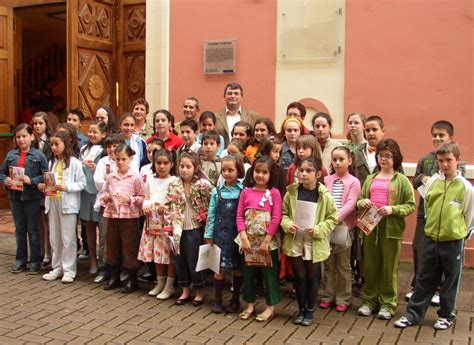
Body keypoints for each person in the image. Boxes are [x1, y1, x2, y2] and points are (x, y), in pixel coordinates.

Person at [394, 142, 473, 331]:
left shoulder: (466, 187)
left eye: (449, 160)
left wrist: (461, 235)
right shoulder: (432, 183)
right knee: (424, 277)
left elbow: (469, 214)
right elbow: (427, 209)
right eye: (441, 161)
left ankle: (446, 315)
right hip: (431, 239)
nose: (445, 165)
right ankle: (413, 314)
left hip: (453, 241)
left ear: (458, 160)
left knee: (450, 280)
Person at [405, 120, 466, 305]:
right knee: (419, 248)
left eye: (442, 135)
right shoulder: (425, 159)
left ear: (450, 137)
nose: (437, 138)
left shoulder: (456, 161)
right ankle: (419, 286)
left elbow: (460, 183)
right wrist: (422, 178)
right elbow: (415, 179)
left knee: (442, 255)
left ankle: (439, 290)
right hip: (426, 212)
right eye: (435, 135)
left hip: (447, 216)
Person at [357, 139, 415, 320]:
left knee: (389, 268)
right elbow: (360, 200)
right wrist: (363, 203)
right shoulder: (370, 179)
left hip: (391, 230)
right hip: (370, 227)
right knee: (371, 267)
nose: (384, 159)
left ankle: (388, 303)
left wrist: (393, 209)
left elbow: (410, 205)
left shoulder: (402, 181)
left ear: (395, 158)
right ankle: (369, 301)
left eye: (388, 156)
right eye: (381, 156)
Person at [281, 156, 338, 326]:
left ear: (318, 174)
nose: (304, 174)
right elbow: (284, 214)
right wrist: (288, 224)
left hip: (314, 240)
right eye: (301, 170)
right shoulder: (291, 192)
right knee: (299, 276)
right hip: (296, 238)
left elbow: (333, 218)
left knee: (313, 275)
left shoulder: (324, 196)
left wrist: (319, 229)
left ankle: (310, 310)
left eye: (309, 171)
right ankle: (300, 309)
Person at [162, 151, 213, 306]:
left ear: (195, 168)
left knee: (194, 261)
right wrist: (168, 225)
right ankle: (185, 290)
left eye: (188, 166)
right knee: (180, 260)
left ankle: (198, 291)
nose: (184, 170)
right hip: (178, 228)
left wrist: (204, 216)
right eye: (181, 166)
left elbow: (213, 204)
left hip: (194, 228)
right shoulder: (174, 184)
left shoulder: (203, 185)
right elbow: (168, 205)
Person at [237, 155, 282, 322]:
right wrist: (243, 236)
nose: (260, 175)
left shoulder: (274, 193)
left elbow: (276, 217)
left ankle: (270, 307)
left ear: (271, 175)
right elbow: (240, 215)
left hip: (267, 244)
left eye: (265, 172)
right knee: (248, 274)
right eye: (257, 171)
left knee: (269, 275)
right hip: (248, 242)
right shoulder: (246, 192)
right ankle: (249, 304)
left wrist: (267, 240)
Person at [38, 131, 86, 283]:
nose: (53, 147)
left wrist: (66, 187)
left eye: (57, 144)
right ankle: (57, 267)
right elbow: (51, 183)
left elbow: (82, 183)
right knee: (55, 237)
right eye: (52, 144)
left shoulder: (75, 163)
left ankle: (69, 270)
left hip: (68, 204)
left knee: (68, 238)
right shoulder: (52, 163)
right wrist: (44, 187)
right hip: (53, 202)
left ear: (65, 144)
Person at [0, 124, 49, 274]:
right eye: (18, 137)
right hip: (15, 197)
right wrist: (6, 180)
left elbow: (46, 175)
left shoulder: (38, 155)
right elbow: (2, 172)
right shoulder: (11, 155)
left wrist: (32, 180)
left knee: (33, 229)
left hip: (32, 197)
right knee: (20, 229)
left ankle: (35, 261)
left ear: (32, 137)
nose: (21, 140)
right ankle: (20, 259)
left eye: (24, 136)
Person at [320, 147, 361, 312]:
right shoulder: (327, 180)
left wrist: (334, 219)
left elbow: (350, 204)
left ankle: (343, 297)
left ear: (349, 161)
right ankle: (328, 295)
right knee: (328, 264)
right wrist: (326, 222)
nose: (337, 163)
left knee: (343, 265)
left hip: (343, 227)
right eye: (334, 159)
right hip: (327, 227)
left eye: (341, 159)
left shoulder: (354, 182)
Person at [101, 144, 145, 293]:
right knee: (112, 244)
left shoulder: (135, 177)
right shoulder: (110, 177)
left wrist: (130, 199)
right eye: (117, 159)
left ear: (130, 159)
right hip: (113, 215)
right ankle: (115, 276)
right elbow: (104, 193)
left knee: (129, 246)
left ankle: (132, 279)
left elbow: (142, 197)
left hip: (129, 217)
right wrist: (105, 199)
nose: (120, 162)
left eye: (123, 159)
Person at [205, 154, 245, 314]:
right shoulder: (217, 191)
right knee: (218, 268)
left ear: (239, 171)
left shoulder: (243, 191)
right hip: (219, 235)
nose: (227, 173)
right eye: (224, 170)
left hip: (236, 235)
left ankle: (235, 300)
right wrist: (208, 235)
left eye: (231, 170)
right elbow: (211, 214)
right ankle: (217, 300)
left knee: (237, 268)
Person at [138, 149, 178, 300]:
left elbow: (177, 202)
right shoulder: (150, 180)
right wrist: (146, 205)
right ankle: (159, 282)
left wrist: (166, 208)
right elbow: (146, 197)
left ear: (172, 164)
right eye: (159, 163)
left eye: (165, 163)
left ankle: (169, 285)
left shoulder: (174, 181)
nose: (162, 166)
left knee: (169, 255)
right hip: (152, 223)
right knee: (157, 253)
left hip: (167, 225)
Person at [92, 133, 122, 283]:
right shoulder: (103, 162)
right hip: (105, 203)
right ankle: (104, 269)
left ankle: (119, 270)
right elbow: (98, 182)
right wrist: (110, 182)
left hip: (121, 205)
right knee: (104, 237)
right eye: (109, 146)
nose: (111, 149)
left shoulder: (124, 161)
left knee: (118, 238)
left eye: (114, 146)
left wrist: (110, 181)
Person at [79, 120, 107, 275]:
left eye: (95, 132)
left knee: (102, 228)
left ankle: (104, 262)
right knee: (88, 226)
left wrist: (97, 168)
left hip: (98, 193)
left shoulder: (104, 151)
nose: (91, 134)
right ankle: (93, 260)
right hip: (85, 193)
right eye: (90, 131)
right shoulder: (84, 149)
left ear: (103, 134)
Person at [31, 112, 53, 267]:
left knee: (48, 221)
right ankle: (40, 252)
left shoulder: (51, 142)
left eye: (40, 123)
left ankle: (49, 252)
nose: (37, 126)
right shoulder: (30, 141)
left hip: (47, 184)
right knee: (38, 221)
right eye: (34, 123)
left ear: (46, 124)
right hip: (34, 185)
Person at [214, 82, 260, 147]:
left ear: (241, 97)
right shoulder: (214, 116)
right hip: (221, 155)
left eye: (236, 94)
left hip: (247, 154)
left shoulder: (254, 116)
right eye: (230, 93)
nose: (233, 96)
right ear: (224, 97)